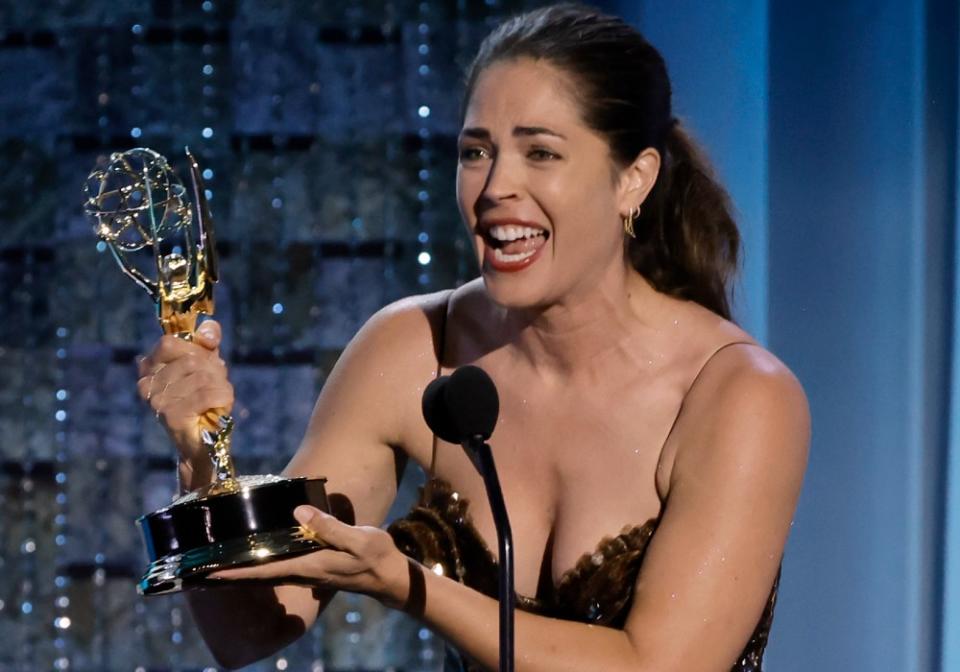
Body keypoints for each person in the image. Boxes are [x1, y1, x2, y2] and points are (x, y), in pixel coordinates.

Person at [136, 4, 809, 671]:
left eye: (540, 152)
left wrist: (409, 585)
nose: (495, 187)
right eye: (476, 152)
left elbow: (658, 666)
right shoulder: (412, 348)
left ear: (634, 180)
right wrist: (201, 463)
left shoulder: (737, 395)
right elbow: (250, 634)